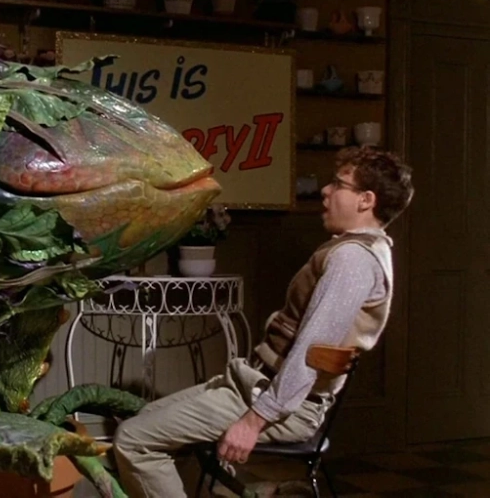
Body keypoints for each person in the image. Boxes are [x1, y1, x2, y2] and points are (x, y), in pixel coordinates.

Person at [112, 146, 414, 498]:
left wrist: (253, 422)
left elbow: (310, 354)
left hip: (284, 405)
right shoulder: (360, 250)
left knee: (134, 440)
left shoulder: (353, 260)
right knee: (147, 419)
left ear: (366, 200)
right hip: (253, 382)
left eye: (338, 184)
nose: (326, 190)